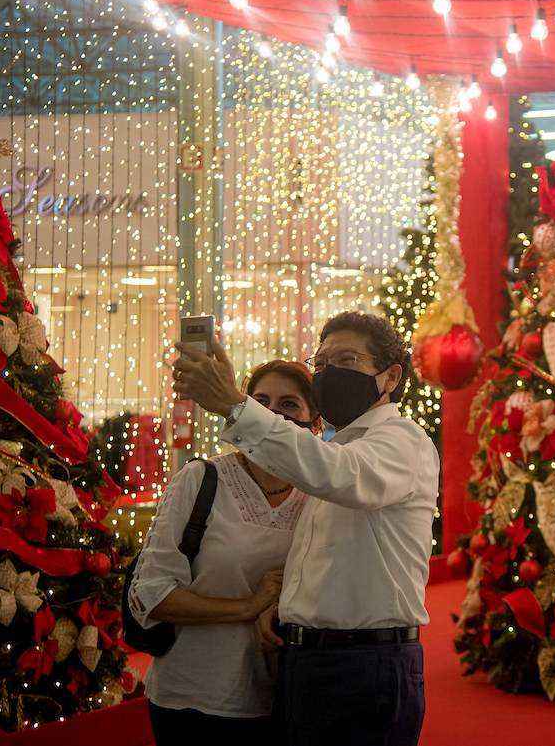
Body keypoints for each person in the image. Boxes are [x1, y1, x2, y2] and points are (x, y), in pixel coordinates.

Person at [173, 312, 438, 746]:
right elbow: (326, 550)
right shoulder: (333, 448)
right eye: (322, 362)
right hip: (307, 663)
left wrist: (236, 406)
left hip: (364, 667)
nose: (329, 373)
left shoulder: (402, 440)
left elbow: (340, 475)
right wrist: (286, 607)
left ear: (390, 377)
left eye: (347, 360)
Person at [129, 360, 319, 746]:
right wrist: (248, 606)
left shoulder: (319, 496)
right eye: (260, 401)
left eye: (289, 405)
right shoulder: (201, 480)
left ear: (314, 423)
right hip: (193, 700)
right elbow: (151, 594)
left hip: (280, 700)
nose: (272, 414)